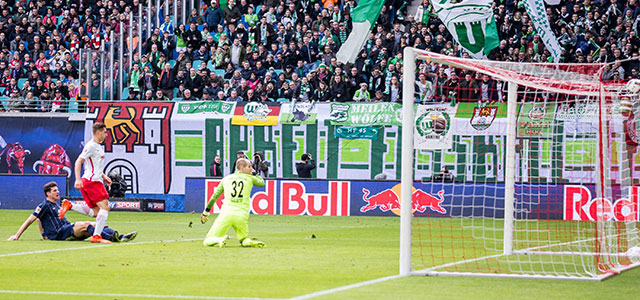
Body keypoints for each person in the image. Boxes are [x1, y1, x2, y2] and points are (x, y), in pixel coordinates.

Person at [8, 182, 136, 242]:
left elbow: (38, 219)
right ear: (48, 193)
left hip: (67, 228)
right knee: (87, 224)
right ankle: (111, 239)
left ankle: (120, 236)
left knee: (97, 224)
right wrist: (17, 235)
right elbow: (32, 218)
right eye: (54, 191)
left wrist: (43, 235)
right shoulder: (44, 205)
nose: (58, 192)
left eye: (57, 190)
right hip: (60, 233)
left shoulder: (56, 204)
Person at [59, 122, 113, 244]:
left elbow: (93, 165)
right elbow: (79, 161)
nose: (106, 134)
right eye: (105, 132)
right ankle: (97, 236)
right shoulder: (91, 146)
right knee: (105, 207)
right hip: (91, 181)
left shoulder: (98, 146)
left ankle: (70, 205)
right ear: (98, 132)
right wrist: (78, 179)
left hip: (92, 180)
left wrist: (104, 176)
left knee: (96, 212)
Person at [201, 158, 266, 247]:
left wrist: (206, 212)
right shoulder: (250, 178)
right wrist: (256, 173)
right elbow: (262, 183)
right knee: (243, 239)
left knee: (207, 241)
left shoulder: (226, 178)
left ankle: (219, 239)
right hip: (241, 215)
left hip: (226, 214)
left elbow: (214, 196)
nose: (251, 168)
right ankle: (248, 241)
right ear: (242, 168)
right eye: (249, 166)